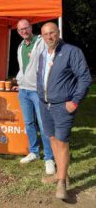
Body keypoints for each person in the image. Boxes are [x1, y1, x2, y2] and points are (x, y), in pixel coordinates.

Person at [37, 22, 92, 200]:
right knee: (51, 137)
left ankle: (62, 183)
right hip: (45, 104)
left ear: (58, 33)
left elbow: (84, 78)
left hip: (63, 105)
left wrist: (75, 102)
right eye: (45, 34)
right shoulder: (43, 54)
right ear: (42, 36)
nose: (49, 37)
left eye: (51, 33)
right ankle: (61, 173)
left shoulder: (71, 51)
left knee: (61, 142)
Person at [14, 19, 55, 175]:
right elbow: (24, 67)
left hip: (37, 90)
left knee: (44, 124)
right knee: (29, 123)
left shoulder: (41, 41)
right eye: (20, 29)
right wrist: (20, 80)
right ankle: (34, 152)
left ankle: (49, 158)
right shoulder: (20, 46)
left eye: (26, 28)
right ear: (18, 32)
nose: (24, 31)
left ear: (31, 28)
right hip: (23, 90)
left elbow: (50, 60)